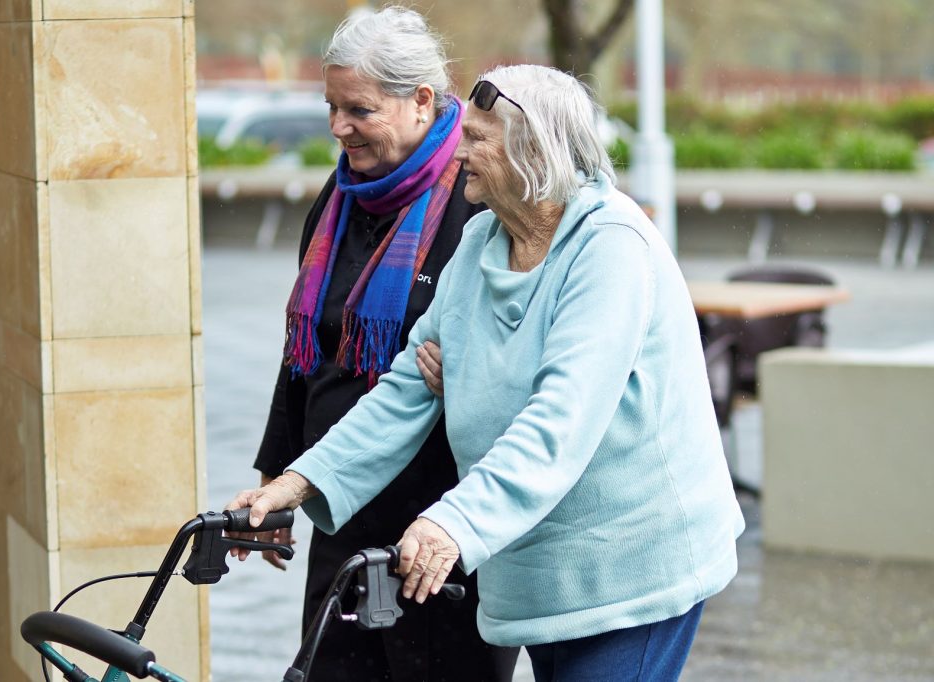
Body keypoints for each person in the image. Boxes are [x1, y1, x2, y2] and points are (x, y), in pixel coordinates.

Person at [233, 63, 746, 682]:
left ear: (534, 150)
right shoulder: (480, 243)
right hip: (540, 573)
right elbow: (402, 392)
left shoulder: (610, 246)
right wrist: (295, 483)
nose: (459, 153)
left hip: (632, 568)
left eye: (476, 139)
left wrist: (451, 520)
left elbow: (559, 419)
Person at [250, 7, 518, 682]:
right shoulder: (339, 198)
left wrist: (472, 366)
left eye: (359, 110)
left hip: (442, 527)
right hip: (342, 508)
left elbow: (527, 346)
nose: (340, 128)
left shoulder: (480, 198)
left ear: (421, 100)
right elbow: (305, 351)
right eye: (332, 107)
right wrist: (278, 481)